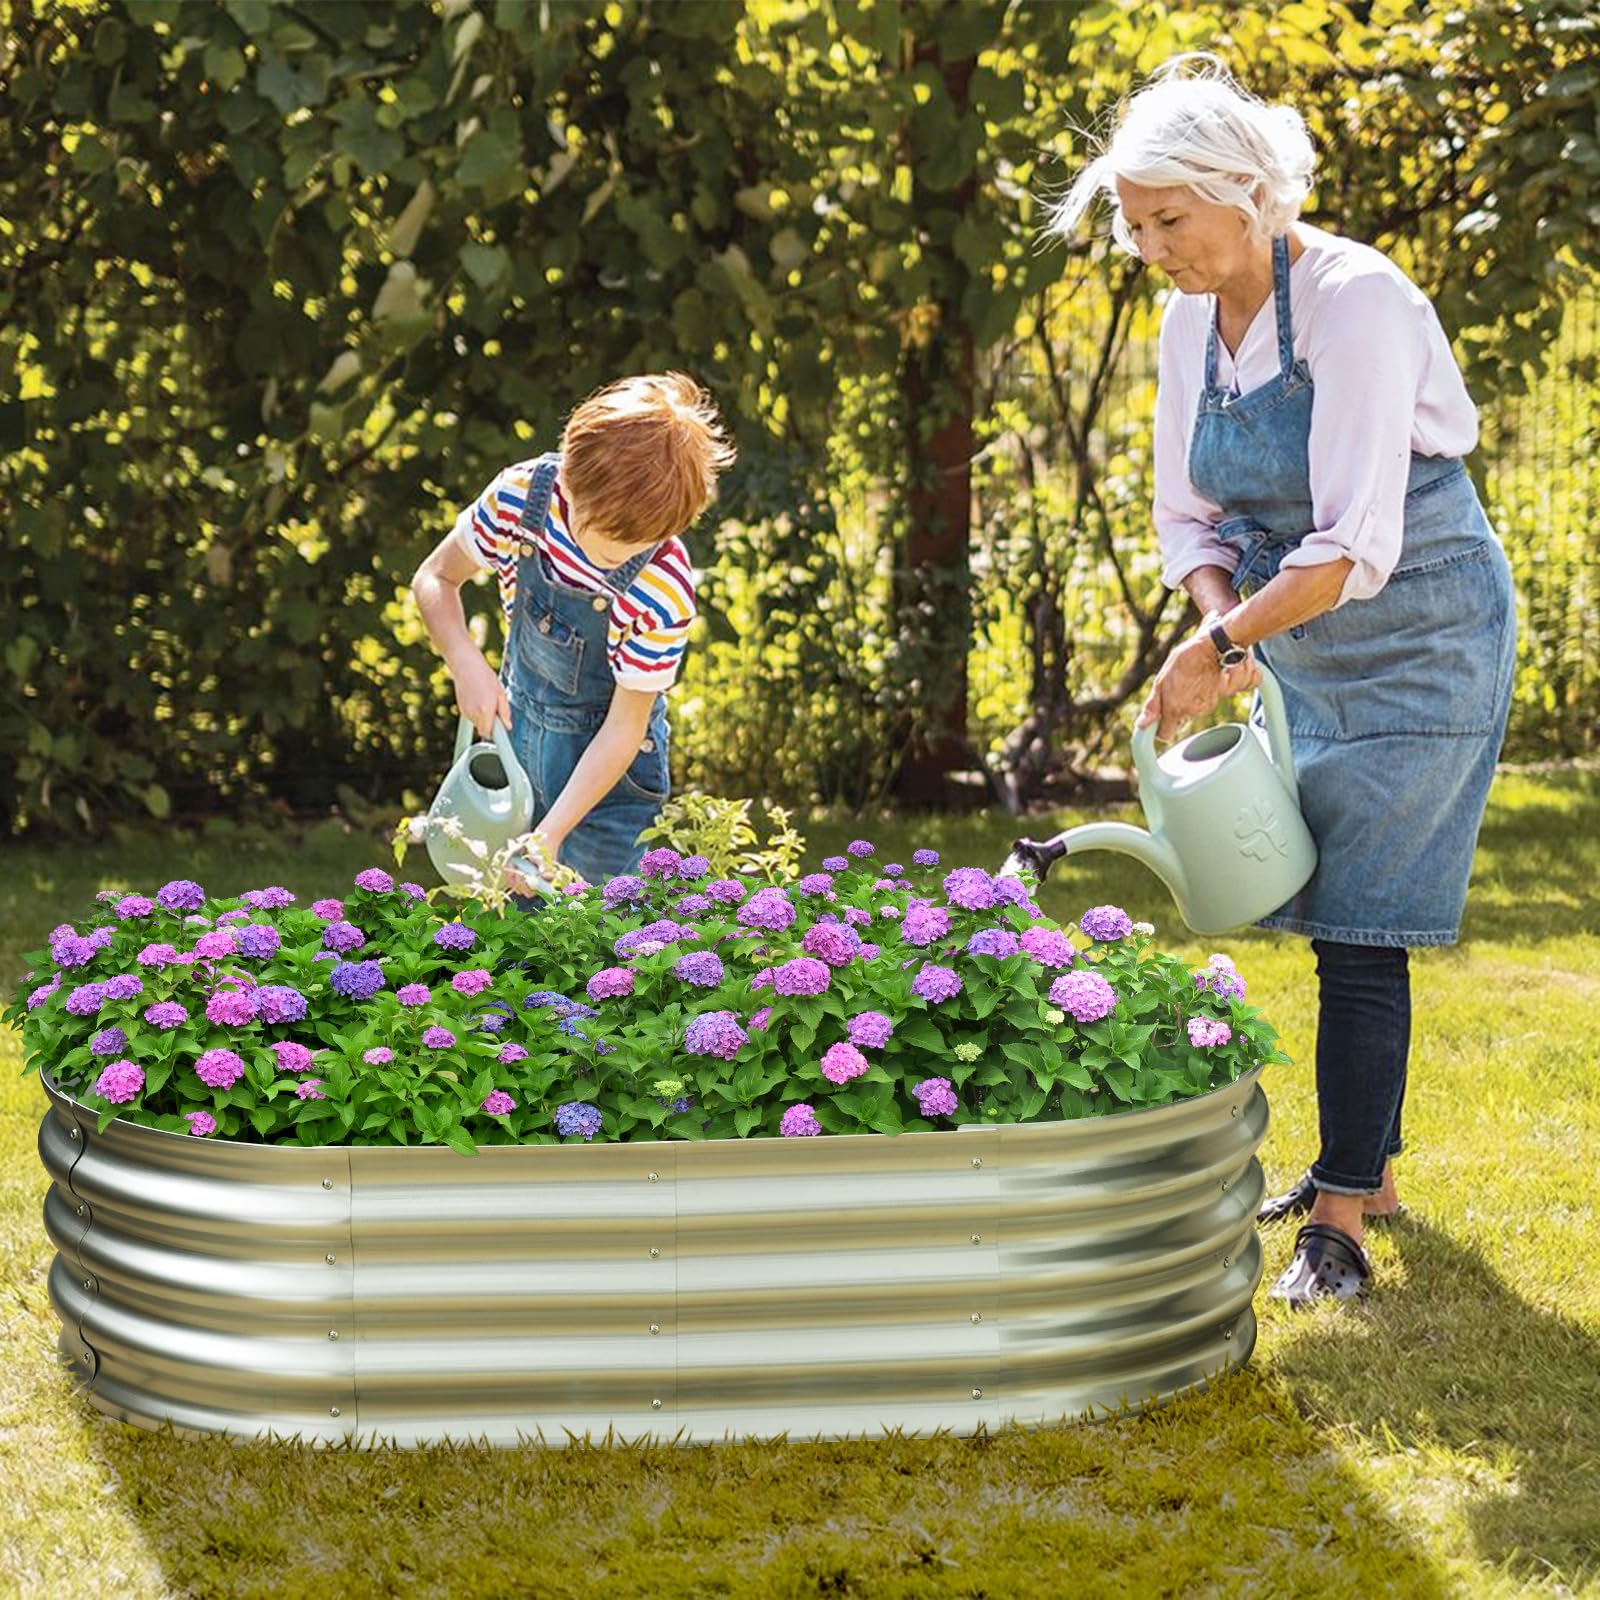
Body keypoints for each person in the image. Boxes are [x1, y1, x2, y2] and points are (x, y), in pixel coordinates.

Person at [1050, 57, 1516, 1305]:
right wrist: (1218, 626)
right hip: (1297, 641)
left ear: (1247, 192)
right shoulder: (1189, 320)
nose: (1149, 247)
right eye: (1133, 223)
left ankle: (1343, 1220)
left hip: (1421, 639)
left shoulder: (1356, 300)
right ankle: (1370, 1172)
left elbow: (1354, 543)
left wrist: (1220, 650)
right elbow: (1186, 517)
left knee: (1363, 932)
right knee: (1328, 917)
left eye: (1169, 219)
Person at [411, 373, 735, 886]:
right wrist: (464, 662)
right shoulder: (522, 499)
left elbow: (626, 726)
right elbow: (434, 577)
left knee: (597, 943)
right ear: (567, 481)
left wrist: (549, 834)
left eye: (645, 543)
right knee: (511, 938)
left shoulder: (663, 588)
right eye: (609, 544)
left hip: (610, 789)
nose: (623, 559)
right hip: (520, 756)